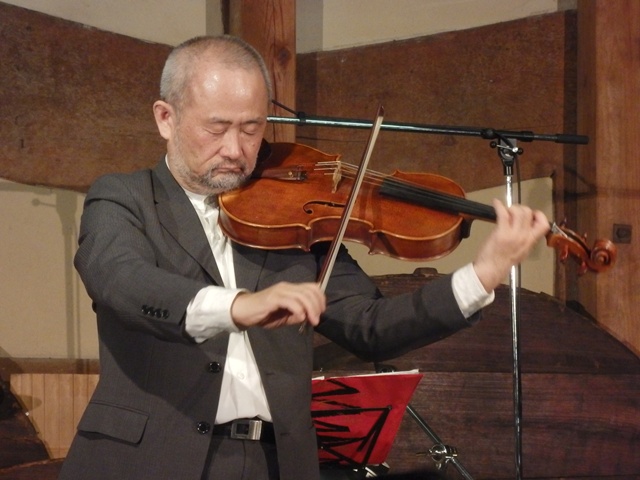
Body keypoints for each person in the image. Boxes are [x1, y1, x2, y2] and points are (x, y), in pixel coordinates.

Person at [59, 35, 550, 480]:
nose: (236, 149)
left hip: (276, 463)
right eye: (217, 128)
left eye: (252, 128)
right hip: (150, 461)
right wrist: (238, 306)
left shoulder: (290, 215)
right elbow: (121, 281)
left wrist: (482, 274)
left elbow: (372, 325)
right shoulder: (124, 197)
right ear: (165, 118)